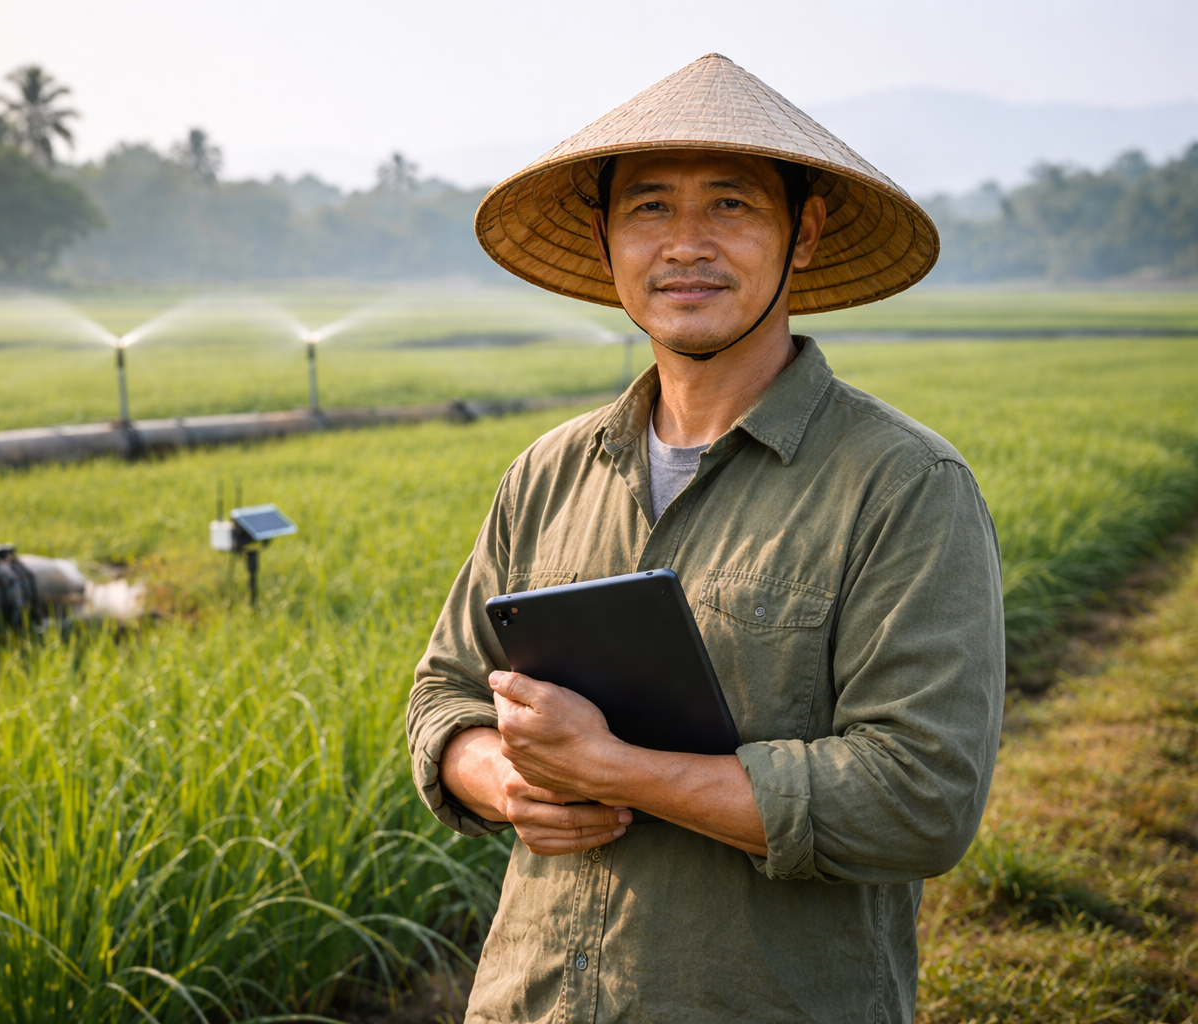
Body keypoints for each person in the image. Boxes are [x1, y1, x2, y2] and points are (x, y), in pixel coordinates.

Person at [405, 53, 1005, 1023]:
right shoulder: (549, 472)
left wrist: (614, 770)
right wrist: (507, 781)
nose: (686, 244)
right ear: (604, 239)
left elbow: (920, 799)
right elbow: (444, 695)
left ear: (804, 234)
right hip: (533, 998)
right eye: (649, 207)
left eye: (731, 204)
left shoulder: (902, 484)